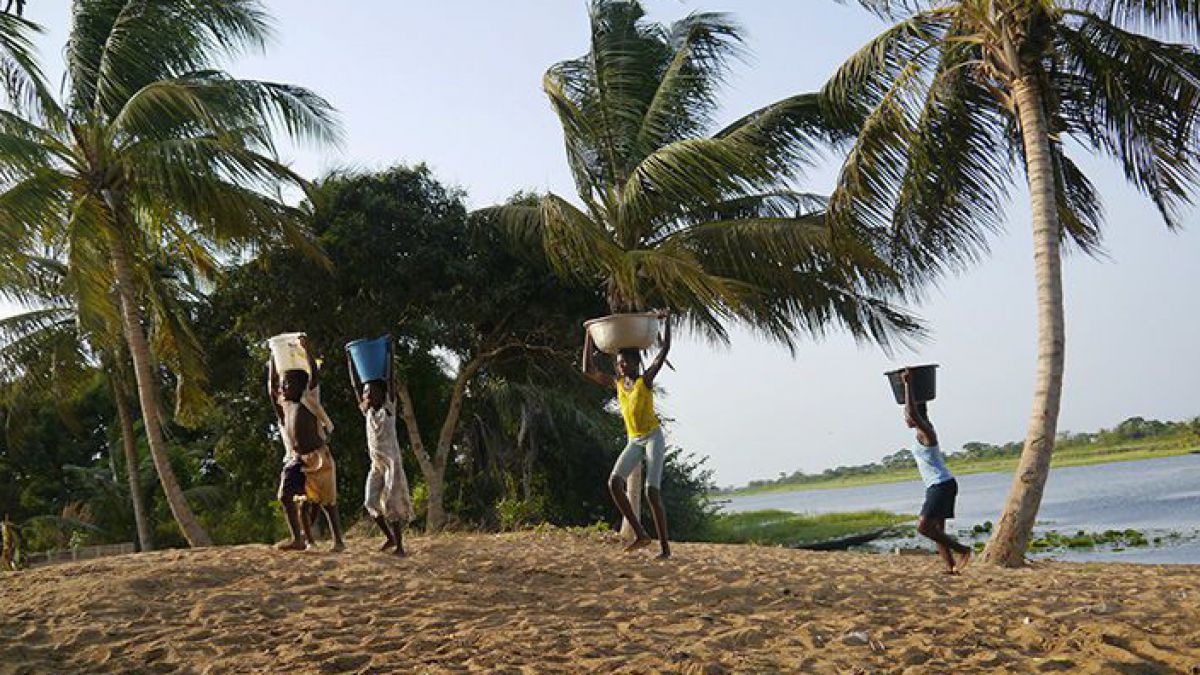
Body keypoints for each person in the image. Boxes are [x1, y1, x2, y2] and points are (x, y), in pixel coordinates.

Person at [582, 309, 672, 558]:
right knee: (614, 483)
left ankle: (665, 549)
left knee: (651, 492)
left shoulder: (646, 381)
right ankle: (641, 534)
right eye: (619, 363)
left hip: (653, 437)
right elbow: (588, 369)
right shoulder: (618, 384)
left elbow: (663, 352)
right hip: (635, 440)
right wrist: (589, 334)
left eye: (626, 362)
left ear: (635, 363)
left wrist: (667, 323)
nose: (621, 366)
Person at [269, 336, 346, 552]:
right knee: (286, 496)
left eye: (288, 383)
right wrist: (274, 358)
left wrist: (307, 350)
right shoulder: (285, 406)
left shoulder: (308, 399)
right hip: (296, 459)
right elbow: (271, 387)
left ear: (301, 386)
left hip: (318, 457)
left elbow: (314, 375)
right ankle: (299, 539)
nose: (283, 387)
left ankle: (338, 541)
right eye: (282, 383)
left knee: (327, 502)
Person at [347, 339, 415, 555]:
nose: (366, 396)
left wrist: (389, 352)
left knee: (392, 505)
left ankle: (400, 546)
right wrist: (350, 358)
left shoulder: (389, 407)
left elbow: (390, 378)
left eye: (370, 392)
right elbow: (355, 384)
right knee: (370, 501)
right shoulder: (366, 412)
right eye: (365, 394)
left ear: (381, 393)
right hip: (376, 464)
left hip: (392, 463)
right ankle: (390, 538)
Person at [901, 368, 971, 574]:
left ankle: (963, 550)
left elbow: (914, 411)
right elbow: (919, 410)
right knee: (938, 530)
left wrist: (907, 384)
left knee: (923, 527)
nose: (905, 417)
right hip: (939, 485)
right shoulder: (922, 430)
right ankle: (952, 568)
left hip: (941, 485)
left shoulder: (927, 433)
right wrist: (915, 388)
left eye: (907, 414)